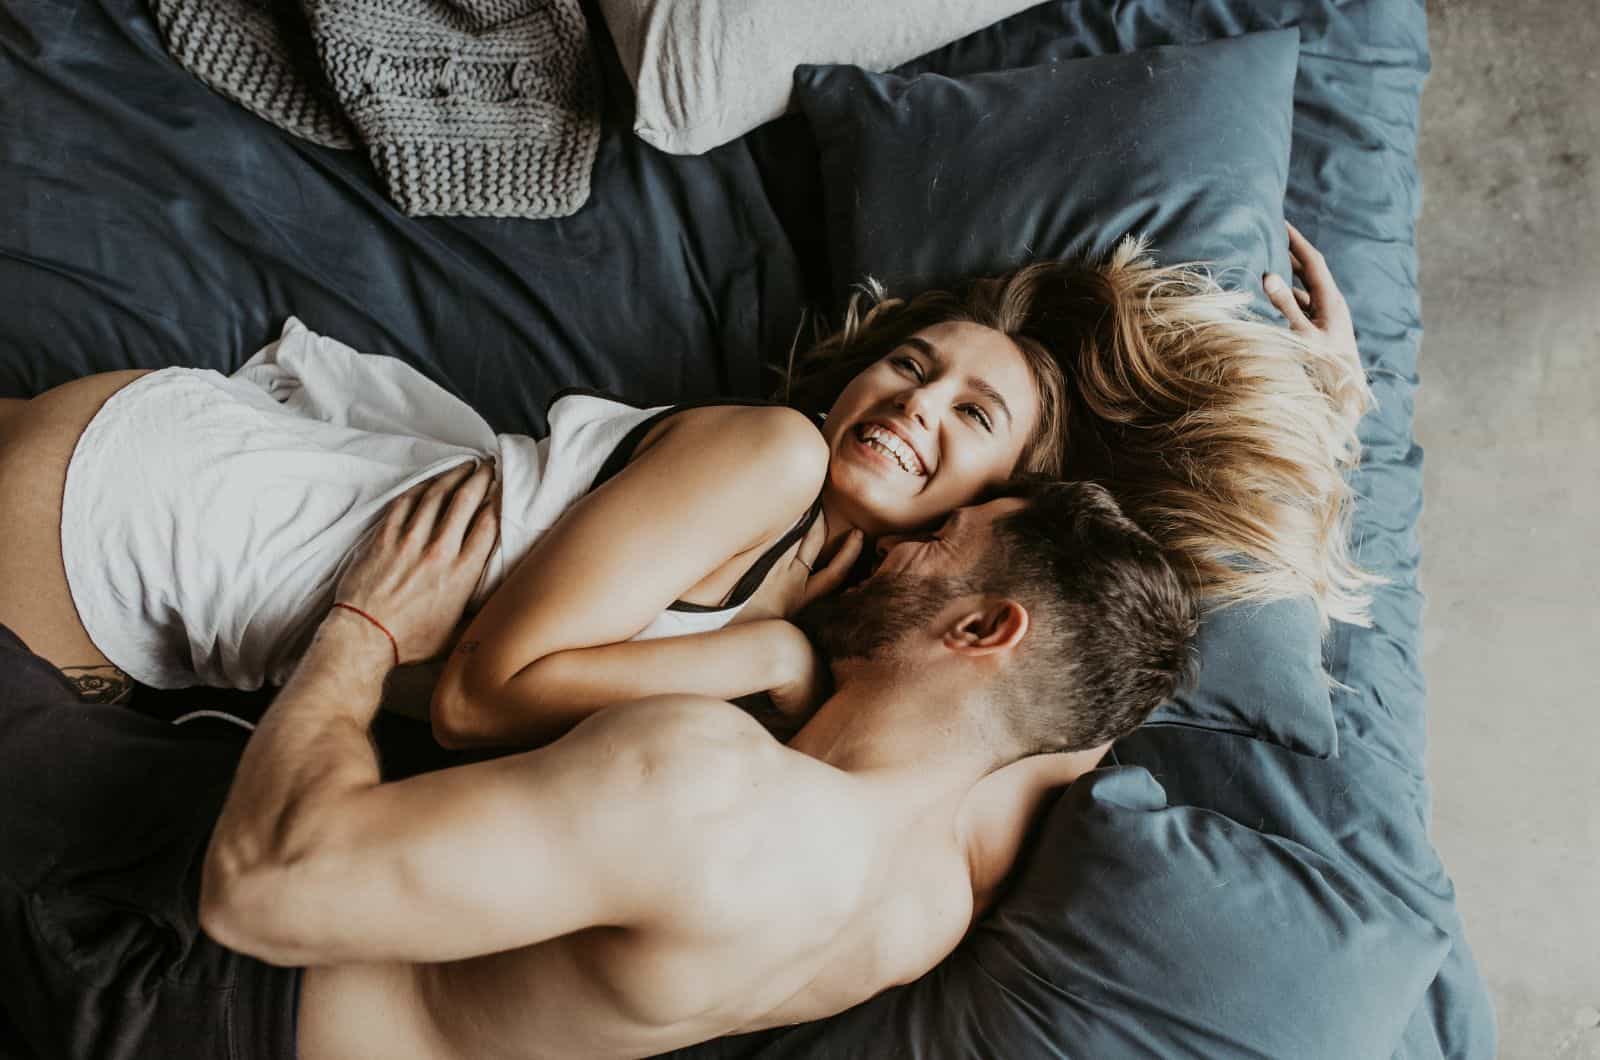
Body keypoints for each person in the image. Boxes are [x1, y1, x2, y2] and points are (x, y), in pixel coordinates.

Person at [0, 463, 1195, 1060]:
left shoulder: (712, 783)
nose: (896, 545)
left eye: (938, 542)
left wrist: (364, 629)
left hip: (179, 971)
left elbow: (259, 889)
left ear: (983, 631)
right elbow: (1100, 685)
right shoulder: (935, 894)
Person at [0, 224, 1360, 746]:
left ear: (994, 505)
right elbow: (478, 693)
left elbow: (1104, 665)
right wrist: (759, 655)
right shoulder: (766, 461)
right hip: (129, 530)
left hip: (168, 565)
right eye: (907, 362)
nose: (909, 400)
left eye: (970, 412)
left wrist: (1331, 424)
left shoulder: (845, 601)